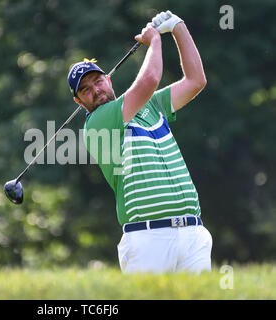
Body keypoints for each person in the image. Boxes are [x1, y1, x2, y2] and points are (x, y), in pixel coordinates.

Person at [67, 11, 212, 273]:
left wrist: (178, 27)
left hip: (192, 233)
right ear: (79, 102)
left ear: (108, 79)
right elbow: (148, 80)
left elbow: (195, 81)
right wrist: (155, 40)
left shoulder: (152, 105)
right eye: (85, 90)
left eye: (97, 81)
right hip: (147, 239)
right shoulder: (97, 122)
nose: (96, 90)